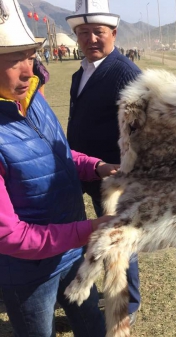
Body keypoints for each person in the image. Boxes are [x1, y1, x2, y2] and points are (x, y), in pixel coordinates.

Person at [0, 1, 118, 335]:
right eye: (13, 61)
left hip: (72, 253)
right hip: (29, 273)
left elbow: (59, 154)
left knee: (94, 326)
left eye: (29, 56)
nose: (28, 70)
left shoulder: (32, 97)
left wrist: (95, 166)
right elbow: (9, 235)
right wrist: (89, 229)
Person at [65, 0, 142, 326]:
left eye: (98, 32)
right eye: (83, 33)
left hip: (114, 177)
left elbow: (144, 128)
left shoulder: (125, 72)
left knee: (120, 239)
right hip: (87, 171)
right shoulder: (80, 71)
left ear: (113, 32)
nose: (90, 39)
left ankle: (130, 302)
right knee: (101, 236)